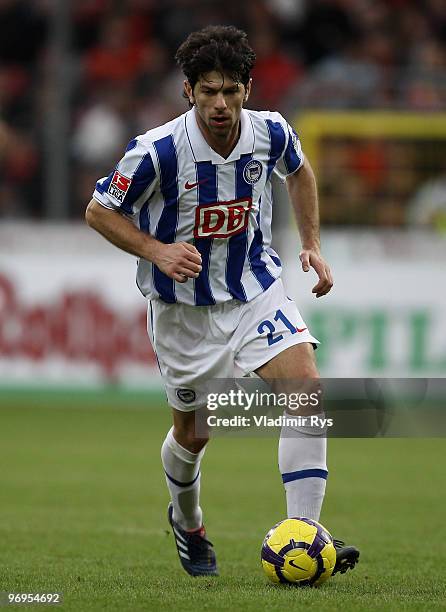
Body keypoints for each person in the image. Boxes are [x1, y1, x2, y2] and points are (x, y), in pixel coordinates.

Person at [85, 25, 359, 578]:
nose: (220, 104)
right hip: (182, 315)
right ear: (188, 91)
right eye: (208, 91)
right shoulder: (156, 151)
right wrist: (157, 250)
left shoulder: (270, 133)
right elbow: (99, 210)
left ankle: (304, 538)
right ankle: (188, 523)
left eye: (231, 90)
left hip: (254, 292)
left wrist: (311, 244)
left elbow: (300, 171)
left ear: (248, 89)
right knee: (194, 433)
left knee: (305, 393)